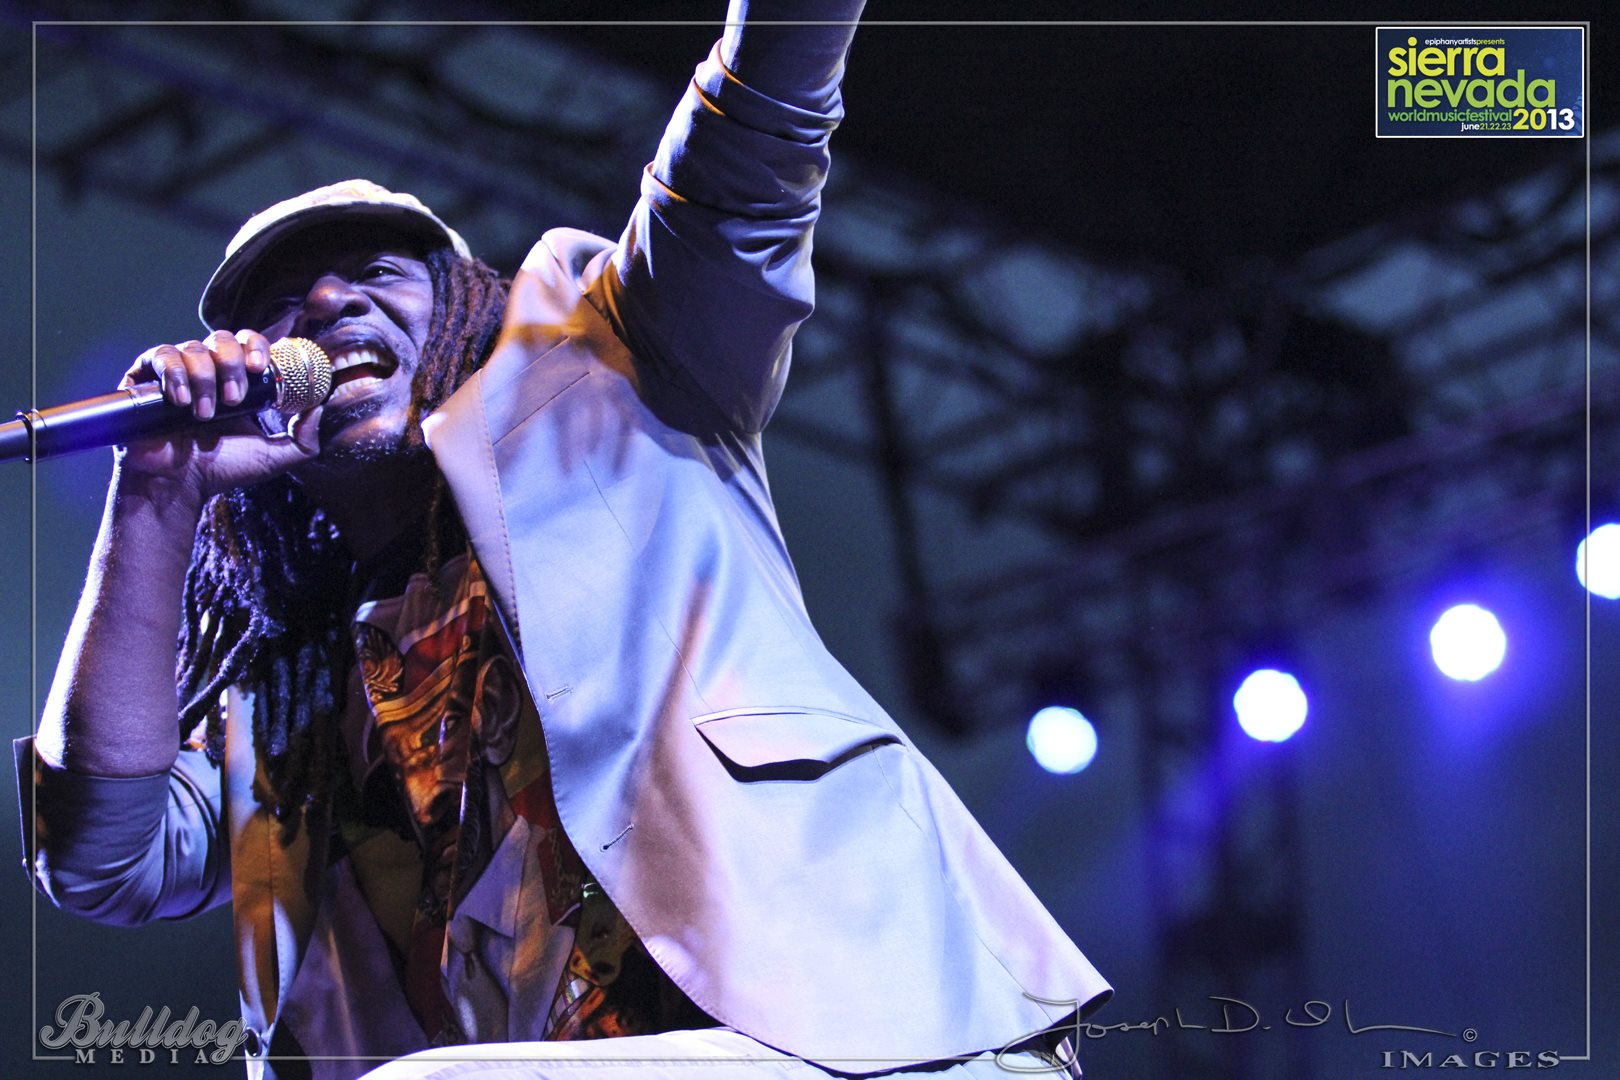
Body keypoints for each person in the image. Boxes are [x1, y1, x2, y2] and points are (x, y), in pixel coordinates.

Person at [17, 4, 1110, 1078]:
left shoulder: (620, 376)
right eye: (285, 305)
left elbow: (749, 154)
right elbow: (98, 859)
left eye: (379, 273)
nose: (332, 299)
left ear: (460, 310)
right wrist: (155, 489)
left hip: (858, 1037)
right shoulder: (286, 693)